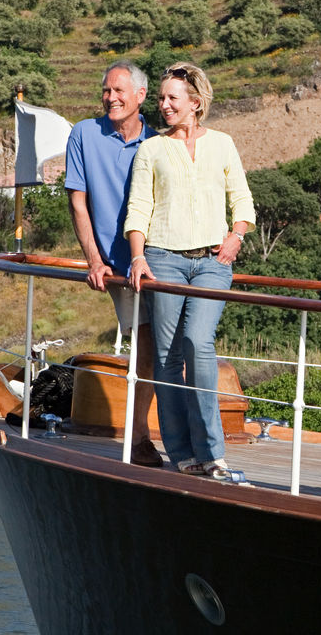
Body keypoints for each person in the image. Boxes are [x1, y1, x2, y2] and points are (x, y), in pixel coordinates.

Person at [124, 63, 255, 482]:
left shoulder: (223, 144)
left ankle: (212, 453)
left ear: (195, 103)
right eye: (161, 98)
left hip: (213, 263)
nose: (163, 105)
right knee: (167, 356)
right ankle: (182, 454)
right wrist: (138, 258)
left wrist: (236, 236)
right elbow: (139, 207)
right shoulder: (152, 149)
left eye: (172, 98)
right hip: (163, 259)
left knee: (199, 342)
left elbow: (242, 200)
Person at [65, 61, 161, 467]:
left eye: (119, 91)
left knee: (171, 347)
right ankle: (138, 437)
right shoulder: (84, 134)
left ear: (141, 95)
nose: (111, 98)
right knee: (146, 344)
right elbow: (78, 202)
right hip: (117, 265)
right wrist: (94, 260)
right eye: (107, 90)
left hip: (157, 261)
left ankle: (166, 436)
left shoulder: (158, 142)